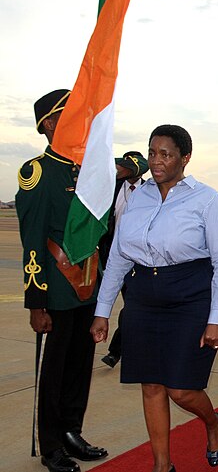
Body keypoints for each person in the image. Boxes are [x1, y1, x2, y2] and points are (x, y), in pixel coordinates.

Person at [90, 124, 218, 472]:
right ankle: (161, 465)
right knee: (152, 384)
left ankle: (213, 423)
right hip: (143, 299)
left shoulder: (206, 199)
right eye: (153, 153)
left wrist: (217, 319)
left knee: (181, 389)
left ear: (184, 158)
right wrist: (103, 310)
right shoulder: (138, 197)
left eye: (166, 154)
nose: (156, 161)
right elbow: (119, 258)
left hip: (189, 298)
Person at [16, 89, 108, 472]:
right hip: (55, 289)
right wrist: (37, 304)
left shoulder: (85, 171)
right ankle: (52, 444)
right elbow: (33, 240)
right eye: (70, 114)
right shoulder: (37, 172)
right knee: (54, 372)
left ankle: (73, 431)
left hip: (88, 287)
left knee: (79, 366)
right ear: (50, 124)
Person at [98, 151, 149, 369]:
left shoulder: (151, 190)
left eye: (124, 166)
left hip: (137, 260)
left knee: (131, 307)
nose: (119, 169)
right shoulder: (112, 189)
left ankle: (115, 352)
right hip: (110, 256)